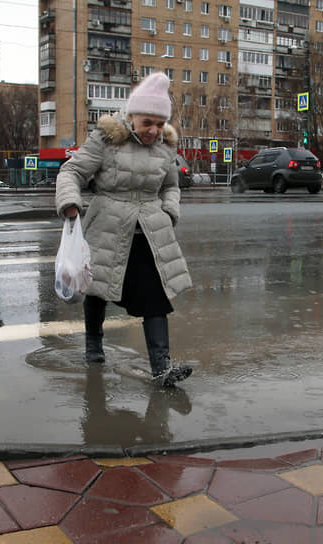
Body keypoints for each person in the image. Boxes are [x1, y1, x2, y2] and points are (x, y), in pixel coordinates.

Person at [55, 72, 193, 387]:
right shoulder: (106, 139)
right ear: (132, 116)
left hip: (148, 232)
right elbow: (72, 171)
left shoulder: (165, 146)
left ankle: (162, 369)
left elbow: (172, 186)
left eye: (160, 124)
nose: (154, 131)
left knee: (155, 297)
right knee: (98, 290)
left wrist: (170, 210)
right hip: (106, 225)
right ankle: (93, 346)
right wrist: (70, 204)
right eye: (148, 123)